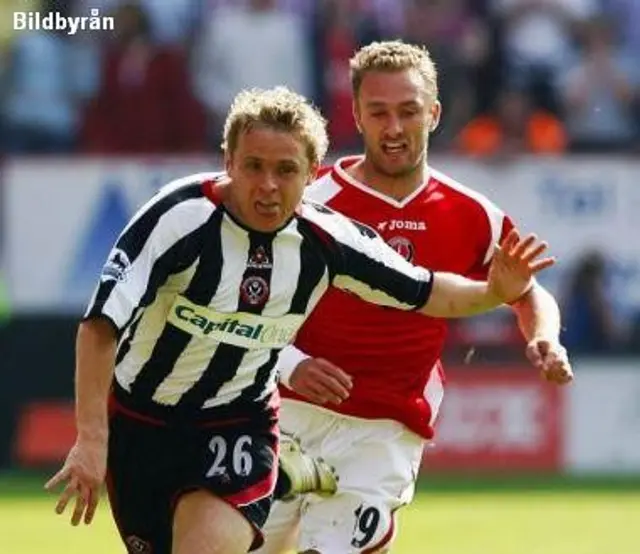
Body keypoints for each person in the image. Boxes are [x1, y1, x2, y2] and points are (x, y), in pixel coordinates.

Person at [44, 85, 552, 554]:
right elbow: (100, 327)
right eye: (254, 166)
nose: (268, 186)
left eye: (285, 170)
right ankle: (288, 475)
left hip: (236, 421)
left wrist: (493, 292)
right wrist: (91, 440)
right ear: (228, 162)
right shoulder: (177, 219)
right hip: (142, 421)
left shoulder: (327, 239)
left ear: (312, 175)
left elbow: (427, 291)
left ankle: (274, 471)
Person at [259, 41, 574, 554]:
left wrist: (544, 338)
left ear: (434, 113)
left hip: (384, 427)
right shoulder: (308, 200)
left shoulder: (470, 213)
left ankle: (366, 525)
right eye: (378, 112)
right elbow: (243, 305)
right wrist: (292, 364)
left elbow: (526, 291)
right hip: (286, 410)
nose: (394, 128)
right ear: (356, 114)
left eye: (408, 112)